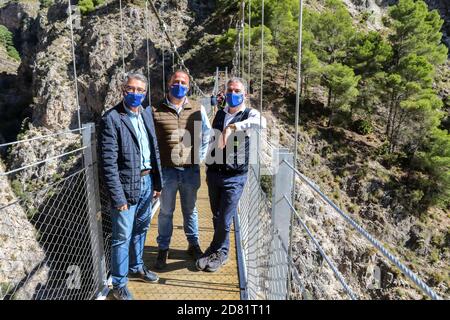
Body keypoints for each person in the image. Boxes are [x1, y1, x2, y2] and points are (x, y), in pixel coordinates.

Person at [100, 72, 163, 300]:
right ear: (122, 90)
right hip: (126, 186)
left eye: (140, 90)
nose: (135, 93)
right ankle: (119, 284)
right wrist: (118, 198)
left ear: (145, 93)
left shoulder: (146, 113)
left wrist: (157, 182)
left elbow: (154, 150)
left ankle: (137, 267)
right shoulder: (112, 119)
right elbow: (108, 164)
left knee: (141, 229)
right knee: (122, 236)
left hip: (147, 182)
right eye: (131, 89)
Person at [197, 77, 266, 273]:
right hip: (214, 173)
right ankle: (221, 251)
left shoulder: (249, 114)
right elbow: (213, 141)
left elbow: (263, 122)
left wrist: (234, 127)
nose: (233, 94)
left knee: (225, 219)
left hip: (235, 176)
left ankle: (216, 250)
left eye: (237, 91)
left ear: (244, 94)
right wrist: (207, 166)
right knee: (217, 215)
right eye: (229, 91)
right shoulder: (219, 113)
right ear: (224, 93)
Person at [152, 70, 211, 270]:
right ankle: (163, 249)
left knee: (190, 210)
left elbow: (207, 135)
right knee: (166, 212)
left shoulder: (197, 108)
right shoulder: (154, 109)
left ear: (189, 86)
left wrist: (200, 158)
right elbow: (149, 142)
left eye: (183, 82)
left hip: (190, 170)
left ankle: (193, 244)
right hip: (166, 171)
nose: (179, 85)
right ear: (169, 83)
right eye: (176, 81)